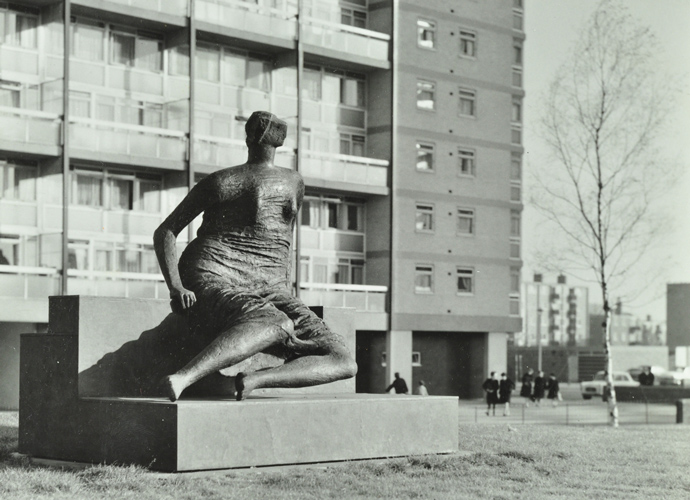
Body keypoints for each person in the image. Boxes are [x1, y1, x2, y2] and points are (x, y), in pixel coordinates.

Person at [155, 111, 357, 402]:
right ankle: (182, 378)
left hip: (270, 285)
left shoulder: (293, 182)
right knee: (276, 323)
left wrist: (284, 290)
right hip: (215, 273)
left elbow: (284, 239)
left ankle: (255, 380)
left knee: (342, 358)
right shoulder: (222, 181)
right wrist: (176, 287)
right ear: (251, 138)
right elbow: (166, 231)